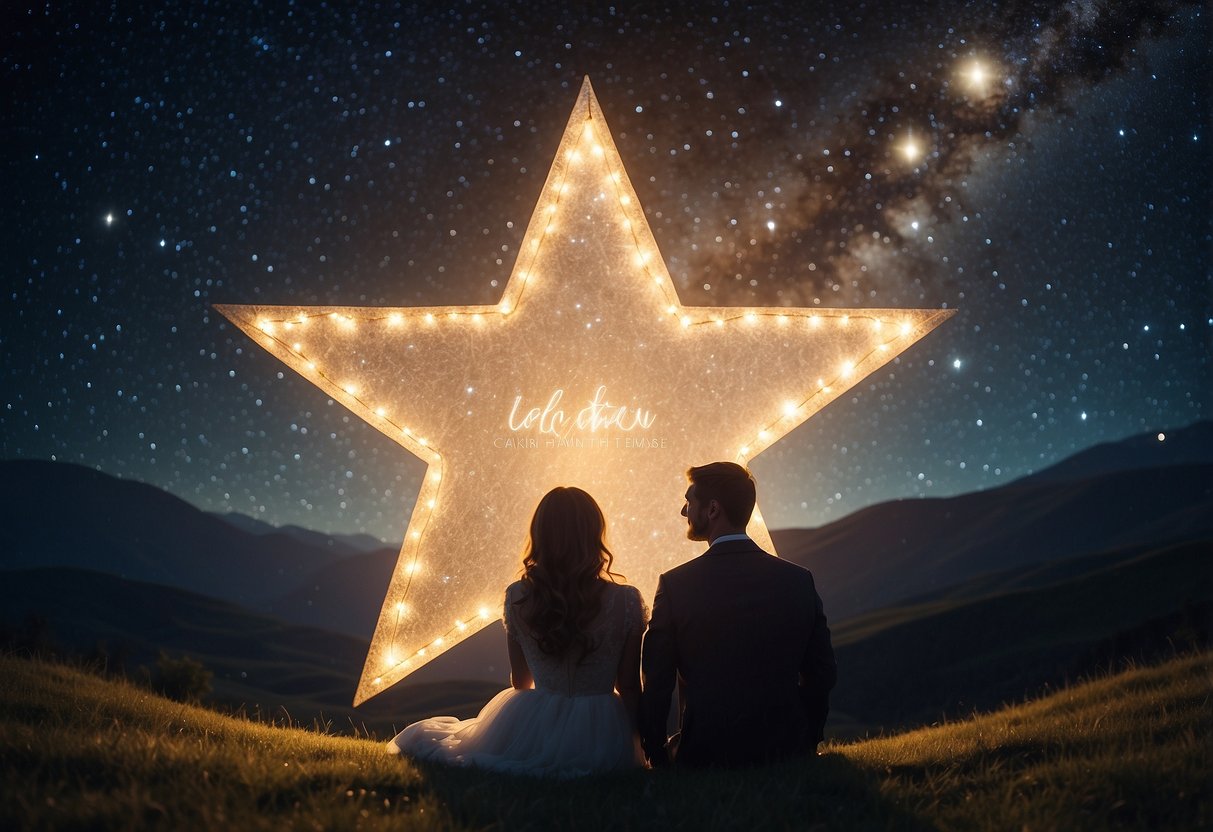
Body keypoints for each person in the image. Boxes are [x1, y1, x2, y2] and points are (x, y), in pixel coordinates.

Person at [388, 486, 646, 777]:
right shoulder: (626, 600)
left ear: (540, 535)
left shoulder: (517, 596)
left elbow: (522, 681)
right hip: (601, 728)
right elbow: (628, 685)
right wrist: (643, 742)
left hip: (538, 722)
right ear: (594, 533)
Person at [639, 462, 836, 768]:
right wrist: (807, 738)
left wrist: (656, 753)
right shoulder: (798, 579)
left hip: (705, 752)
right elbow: (822, 671)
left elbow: (657, 681)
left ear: (713, 509)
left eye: (690, 502)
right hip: (786, 746)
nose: (684, 511)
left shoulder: (675, 585)